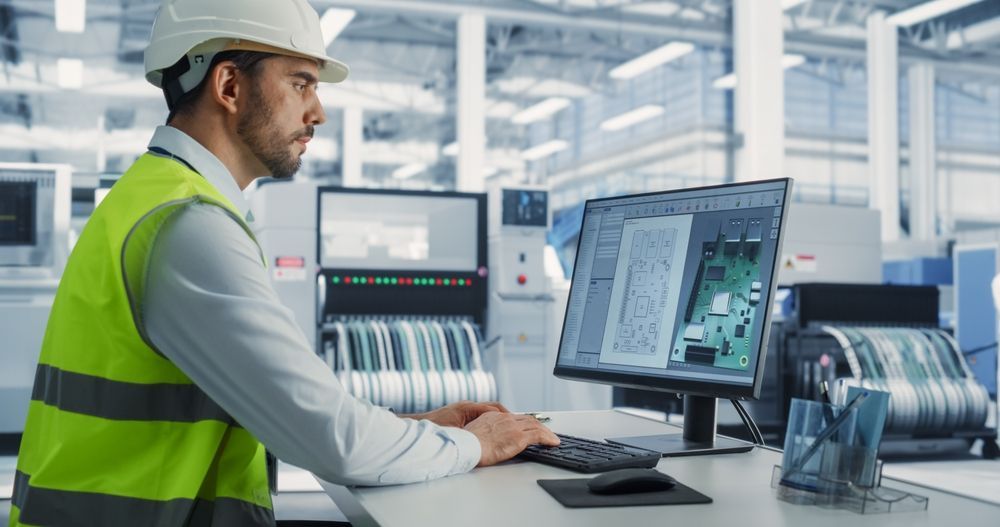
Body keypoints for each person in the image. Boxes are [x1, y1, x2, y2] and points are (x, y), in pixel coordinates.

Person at [10, 0, 558, 525]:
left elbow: (299, 412)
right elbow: (335, 442)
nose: (316, 112)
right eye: (300, 83)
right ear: (228, 85)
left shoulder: (155, 199)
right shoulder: (189, 224)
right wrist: (475, 443)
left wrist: (415, 427)